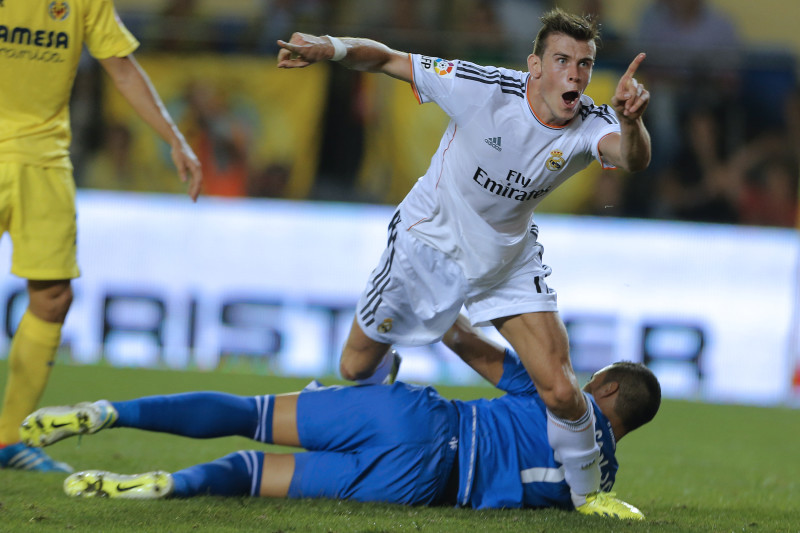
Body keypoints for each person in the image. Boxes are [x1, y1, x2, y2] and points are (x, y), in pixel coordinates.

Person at [275, 7, 651, 516]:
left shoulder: (592, 120)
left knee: (562, 391)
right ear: (534, 67)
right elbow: (388, 59)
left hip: (506, 259)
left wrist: (631, 124)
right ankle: (397, 362)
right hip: (427, 243)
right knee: (355, 366)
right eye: (562, 60)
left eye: (584, 64)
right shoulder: (483, 88)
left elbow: (632, 158)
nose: (576, 75)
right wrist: (331, 47)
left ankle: (589, 498)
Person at [20, 315, 661, 519]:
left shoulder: (560, 394)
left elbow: (467, 345)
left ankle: (110, 412)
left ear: (602, 387)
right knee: (253, 474)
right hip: (421, 489)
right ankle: (172, 484)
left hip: (419, 422)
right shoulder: (594, 488)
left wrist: (439, 305)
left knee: (252, 413)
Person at [0, 0, 203, 473]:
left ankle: (8, 439)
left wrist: (173, 137)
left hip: (45, 160)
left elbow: (122, 67)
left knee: (51, 297)